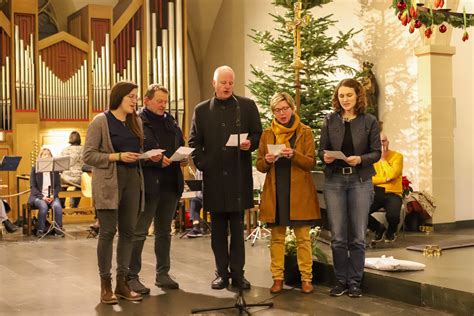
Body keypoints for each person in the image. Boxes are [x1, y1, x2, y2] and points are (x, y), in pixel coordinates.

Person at [188, 65, 262, 290]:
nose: (227, 86)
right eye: (223, 82)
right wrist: (203, 164)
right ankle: (221, 273)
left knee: (238, 231)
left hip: (238, 177)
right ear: (214, 84)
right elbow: (194, 143)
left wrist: (251, 144)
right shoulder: (201, 110)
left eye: (230, 82)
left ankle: (238, 274)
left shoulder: (246, 106)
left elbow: (257, 133)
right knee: (218, 231)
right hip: (214, 179)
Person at [318, 78, 381, 298]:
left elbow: (376, 153)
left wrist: (360, 159)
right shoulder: (330, 120)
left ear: (358, 96)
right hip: (335, 180)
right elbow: (321, 150)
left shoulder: (369, 121)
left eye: (349, 95)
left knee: (357, 236)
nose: (345, 99)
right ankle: (340, 281)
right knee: (338, 236)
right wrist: (325, 157)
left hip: (360, 181)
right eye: (341, 95)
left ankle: (354, 282)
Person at [83, 81, 145, 304]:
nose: (134, 100)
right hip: (109, 182)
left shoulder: (135, 120)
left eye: (136, 96)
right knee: (108, 233)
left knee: (128, 232)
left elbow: (138, 150)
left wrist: (147, 156)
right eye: (131, 96)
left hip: (132, 181)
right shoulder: (101, 121)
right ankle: (105, 285)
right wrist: (117, 157)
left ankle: (122, 283)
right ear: (118, 96)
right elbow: (88, 156)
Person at [256, 92, 320, 294]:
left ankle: (306, 278)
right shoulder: (267, 134)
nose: (281, 113)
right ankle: (277, 278)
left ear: (292, 108)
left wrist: (294, 154)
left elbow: (310, 162)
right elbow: (259, 165)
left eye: (285, 109)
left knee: (303, 238)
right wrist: (267, 160)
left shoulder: (305, 131)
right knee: (276, 238)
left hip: (299, 192)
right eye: (277, 110)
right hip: (277, 191)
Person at [127, 84, 184, 294]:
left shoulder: (171, 121)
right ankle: (131, 276)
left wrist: (182, 157)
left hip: (170, 184)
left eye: (165, 101)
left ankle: (163, 274)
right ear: (147, 100)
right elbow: (135, 153)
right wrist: (154, 160)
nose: (163, 105)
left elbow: (180, 142)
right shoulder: (138, 123)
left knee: (164, 232)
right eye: (159, 101)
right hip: (149, 185)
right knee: (140, 232)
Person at [368, 132, 403, 243]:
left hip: (393, 192)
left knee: (393, 216)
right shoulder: (370, 158)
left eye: (384, 141)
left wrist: (383, 160)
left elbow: (392, 174)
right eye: (379, 142)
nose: (382, 144)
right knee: (360, 212)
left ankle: (391, 232)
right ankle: (378, 228)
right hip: (375, 192)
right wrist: (385, 179)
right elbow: (369, 179)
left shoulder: (397, 156)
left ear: (388, 142)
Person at [28, 148, 64, 237]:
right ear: (40, 156)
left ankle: (58, 229)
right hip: (38, 196)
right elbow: (33, 187)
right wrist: (43, 197)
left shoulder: (54, 170)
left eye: (48, 154)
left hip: (52, 196)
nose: (47, 156)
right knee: (43, 206)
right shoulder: (35, 169)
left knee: (57, 207)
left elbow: (58, 186)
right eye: (44, 154)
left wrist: (53, 195)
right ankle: (40, 230)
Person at [60, 131, 84, 208]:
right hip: (80, 178)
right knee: (81, 186)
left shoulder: (65, 150)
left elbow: (60, 165)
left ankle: (61, 206)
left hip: (66, 177)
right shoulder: (85, 149)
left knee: (60, 182)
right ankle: (73, 205)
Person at [187, 167, 203, 238]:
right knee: (194, 201)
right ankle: (196, 228)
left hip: (211, 196)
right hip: (200, 197)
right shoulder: (197, 169)